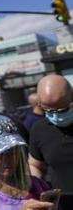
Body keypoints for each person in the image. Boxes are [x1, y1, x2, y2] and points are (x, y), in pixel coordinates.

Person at [29, 75, 73, 209]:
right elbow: (35, 164)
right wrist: (38, 189)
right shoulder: (39, 129)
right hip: (61, 203)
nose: (55, 115)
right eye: (48, 110)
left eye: (61, 110)